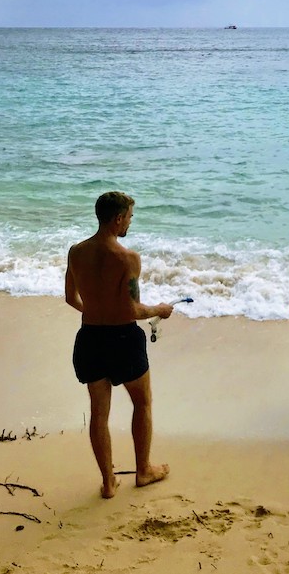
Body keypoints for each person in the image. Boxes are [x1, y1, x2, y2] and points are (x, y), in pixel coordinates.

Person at [65, 191, 175, 499]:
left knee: (99, 413)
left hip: (89, 339)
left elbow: (70, 298)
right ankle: (143, 471)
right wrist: (161, 310)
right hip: (123, 340)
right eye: (129, 217)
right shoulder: (128, 258)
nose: (129, 222)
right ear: (117, 218)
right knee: (143, 403)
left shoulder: (76, 252)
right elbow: (134, 310)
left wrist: (97, 313)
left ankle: (108, 482)